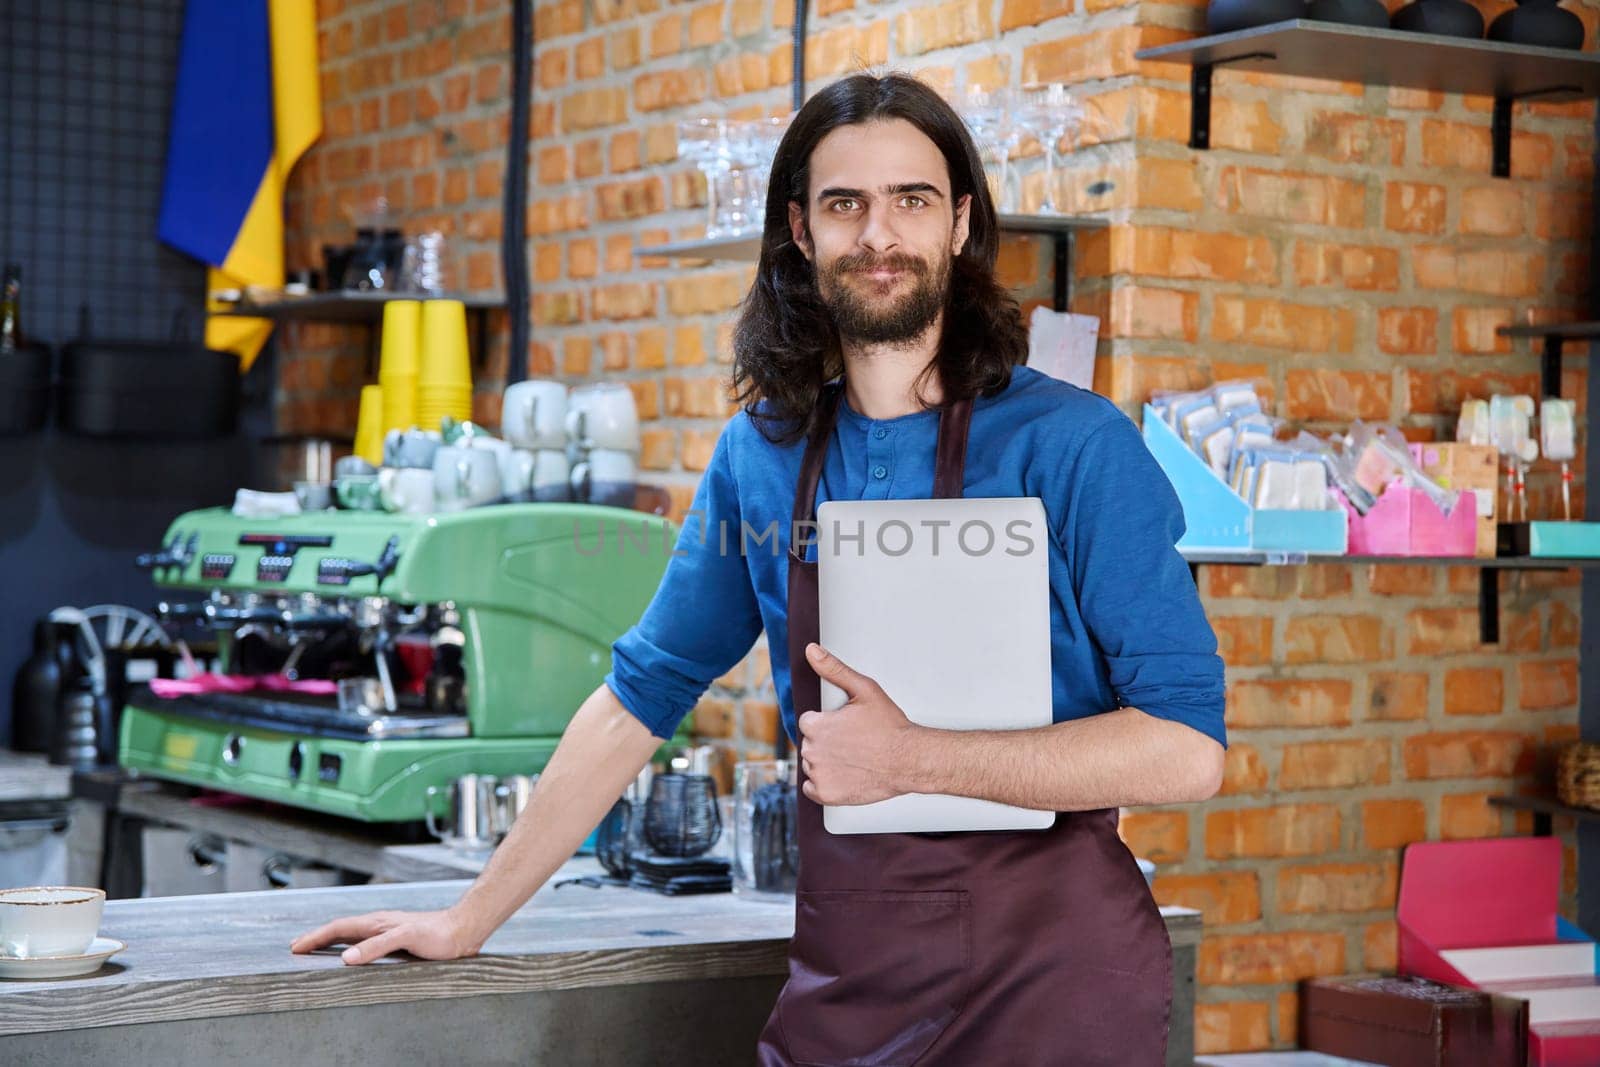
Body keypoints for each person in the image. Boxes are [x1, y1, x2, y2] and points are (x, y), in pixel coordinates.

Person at [292, 72, 1226, 1065]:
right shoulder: (763, 453)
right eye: (844, 203)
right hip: (853, 981)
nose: (879, 234)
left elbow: (1184, 749)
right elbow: (636, 698)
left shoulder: (1074, 443)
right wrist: (470, 915)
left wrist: (916, 759)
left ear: (959, 223)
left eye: (910, 199)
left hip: (1054, 989)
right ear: (799, 228)